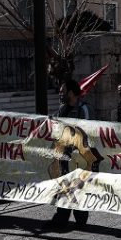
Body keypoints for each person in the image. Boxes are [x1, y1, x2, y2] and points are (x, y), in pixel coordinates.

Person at [46, 79, 94, 229]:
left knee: (78, 188)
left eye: (63, 91)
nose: (60, 94)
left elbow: (88, 131)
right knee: (64, 187)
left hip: (79, 158)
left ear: (71, 93)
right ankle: (62, 216)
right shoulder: (62, 109)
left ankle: (80, 218)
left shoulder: (83, 109)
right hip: (64, 158)